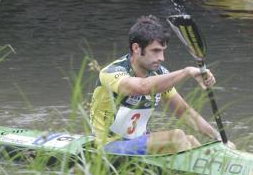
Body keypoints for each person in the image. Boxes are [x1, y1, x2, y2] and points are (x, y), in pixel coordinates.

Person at [90, 15, 226, 155]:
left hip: (137, 142)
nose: (162, 58)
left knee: (190, 140)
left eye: (162, 51)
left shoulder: (158, 74)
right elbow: (142, 87)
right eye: (155, 51)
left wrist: (219, 138)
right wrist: (187, 72)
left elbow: (185, 113)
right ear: (136, 48)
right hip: (109, 147)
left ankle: (215, 170)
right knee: (176, 137)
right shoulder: (111, 72)